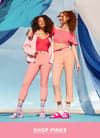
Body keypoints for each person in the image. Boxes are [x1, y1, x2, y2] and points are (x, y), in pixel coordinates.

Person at [27, 11, 81, 119]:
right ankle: (60, 110)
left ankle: (66, 110)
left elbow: (73, 47)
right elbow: (43, 29)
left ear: (68, 18)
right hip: (56, 55)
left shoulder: (71, 32)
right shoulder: (54, 28)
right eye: (59, 16)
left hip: (68, 54)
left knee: (68, 82)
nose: (60, 18)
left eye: (62, 16)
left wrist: (78, 62)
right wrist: (31, 30)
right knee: (55, 82)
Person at [10, 15, 54, 119]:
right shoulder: (33, 33)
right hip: (35, 58)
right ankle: (18, 110)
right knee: (26, 83)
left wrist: (50, 60)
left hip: (46, 60)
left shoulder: (49, 35)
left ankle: (42, 110)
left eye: (43, 21)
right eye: (39, 21)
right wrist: (32, 52)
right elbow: (25, 46)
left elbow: (51, 49)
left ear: (46, 22)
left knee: (44, 84)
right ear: (37, 23)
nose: (41, 22)